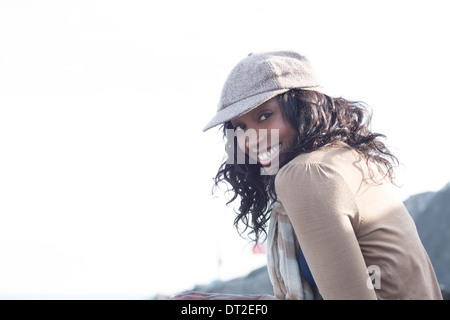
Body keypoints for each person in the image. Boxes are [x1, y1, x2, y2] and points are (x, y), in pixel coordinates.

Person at [172, 51, 442, 300]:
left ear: (302, 107)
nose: (251, 138)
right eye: (239, 127)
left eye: (265, 116)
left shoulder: (304, 173)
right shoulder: (346, 159)